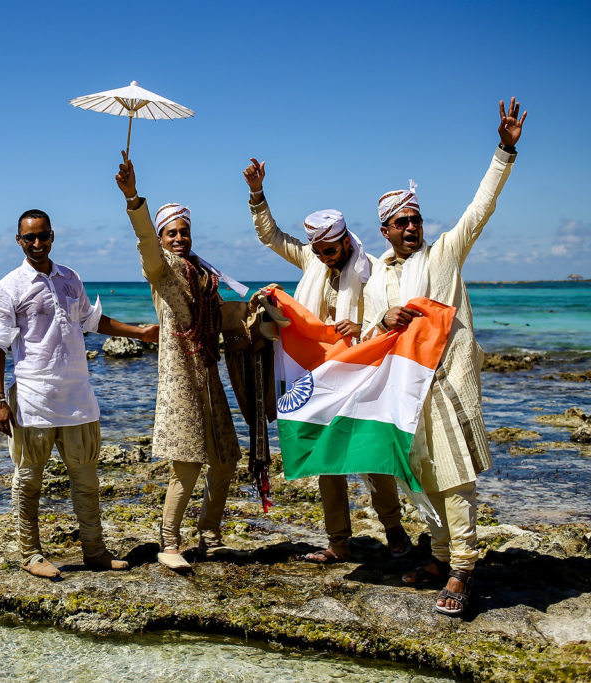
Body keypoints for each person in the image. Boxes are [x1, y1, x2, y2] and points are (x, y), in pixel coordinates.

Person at [362, 97, 527, 616]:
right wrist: (381, 322)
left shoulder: (444, 255)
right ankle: (436, 558)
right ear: (385, 230)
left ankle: (462, 569)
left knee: (454, 476)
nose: (412, 228)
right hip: (403, 392)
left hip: (447, 384)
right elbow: (371, 331)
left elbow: (480, 209)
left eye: (416, 219)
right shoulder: (377, 276)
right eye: (402, 222)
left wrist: (503, 150)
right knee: (419, 478)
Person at [242, 160, 411, 564]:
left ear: (346, 242)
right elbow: (271, 235)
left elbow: (387, 316)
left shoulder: (370, 271)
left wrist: (363, 325)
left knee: (371, 453)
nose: (323, 258)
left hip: (359, 374)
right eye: (317, 252)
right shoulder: (313, 260)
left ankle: (395, 533)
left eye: (329, 251)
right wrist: (257, 193)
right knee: (326, 460)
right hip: (318, 378)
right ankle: (338, 542)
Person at [0, 208, 159, 579]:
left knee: (87, 479)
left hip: (78, 396)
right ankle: (31, 554)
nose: (37, 243)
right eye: (29, 237)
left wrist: (141, 333)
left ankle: (95, 552)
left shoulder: (70, 278)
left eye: (43, 236)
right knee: (29, 478)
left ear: (52, 236)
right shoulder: (9, 287)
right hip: (33, 397)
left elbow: (92, 322)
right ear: (18, 241)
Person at [115, 152, 246, 571]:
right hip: (179, 380)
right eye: (170, 233)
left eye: (183, 232)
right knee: (186, 466)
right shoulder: (162, 271)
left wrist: (258, 306)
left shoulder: (205, 275)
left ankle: (210, 535)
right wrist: (134, 197)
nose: (178, 239)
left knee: (225, 459)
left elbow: (224, 316)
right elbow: (147, 247)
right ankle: (168, 543)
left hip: (208, 373)